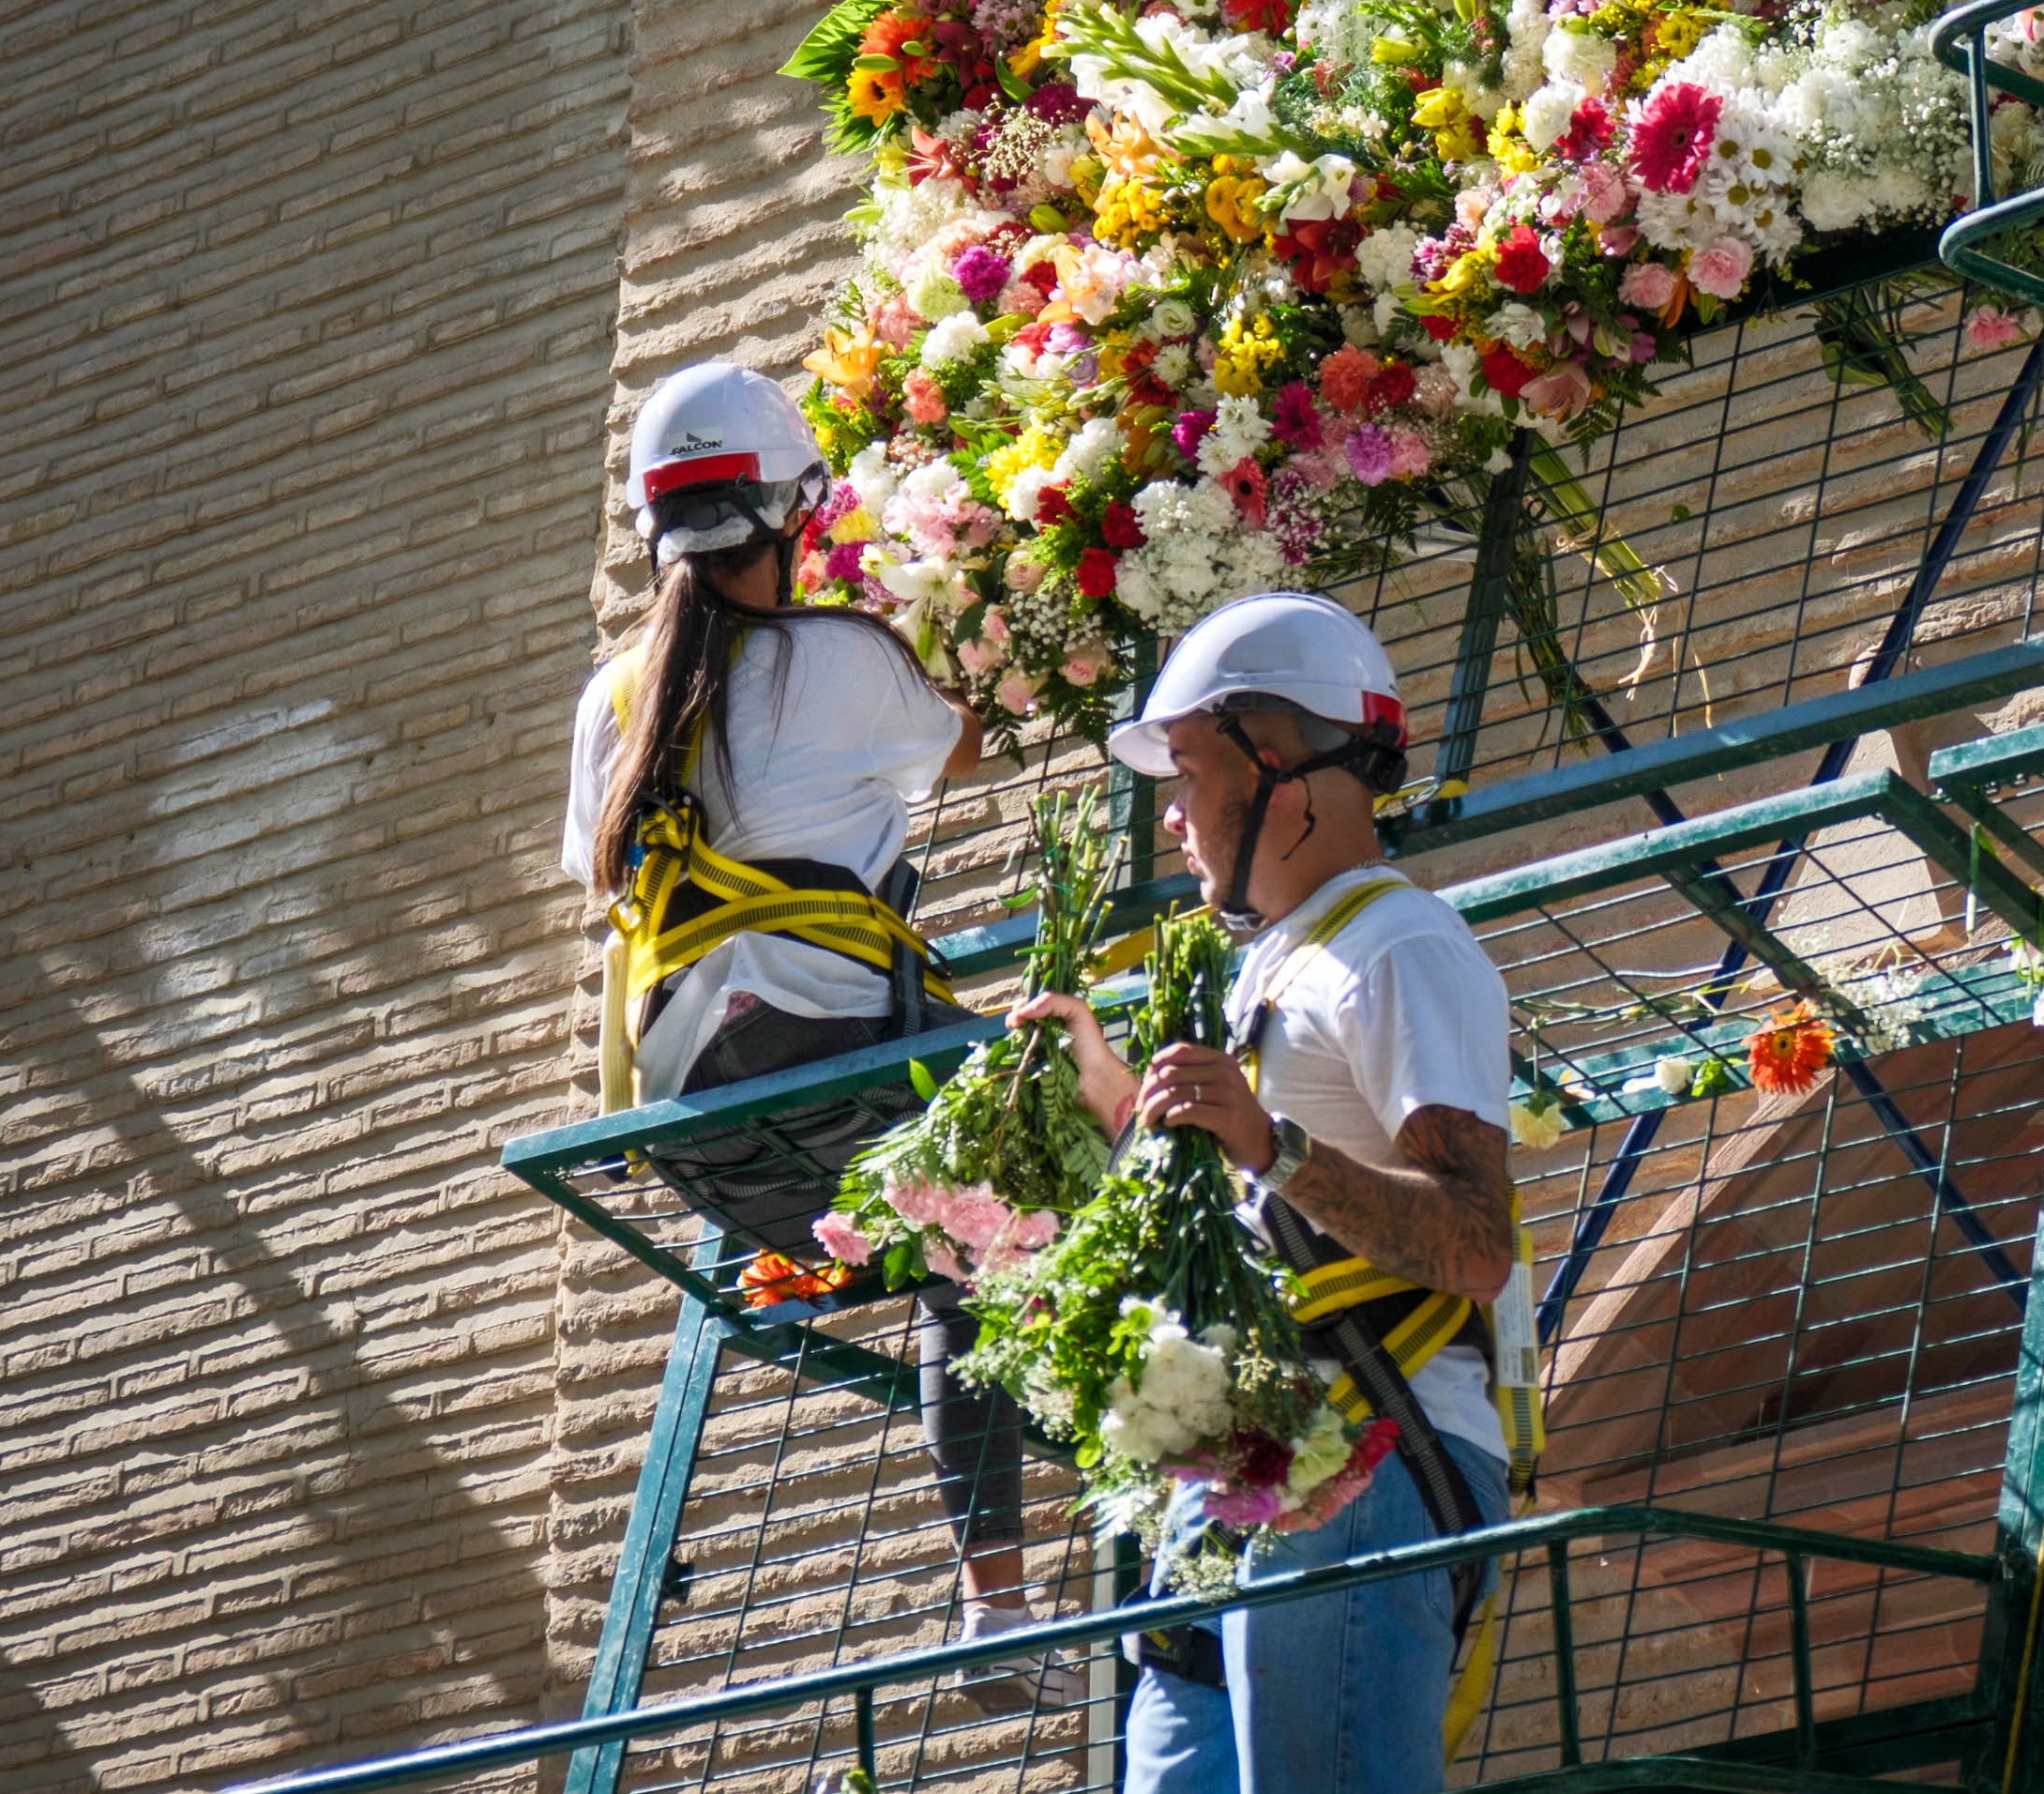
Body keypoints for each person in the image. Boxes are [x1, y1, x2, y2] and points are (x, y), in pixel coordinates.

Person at [557, 358, 1053, 1707]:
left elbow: (599, 877)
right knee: (1017, 1184)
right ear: (790, 511)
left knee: (963, 1227)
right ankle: (996, 1594)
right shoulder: (840, 654)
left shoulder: (609, 702)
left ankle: (1004, 1565)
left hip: (704, 1131)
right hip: (829, 1057)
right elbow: (958, 750)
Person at [1010, 591, 1534, 1794]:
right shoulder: (1281, 961)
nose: (1176, 818)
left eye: (1188, 774)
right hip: (1245, 1466)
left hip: (1363, 1458)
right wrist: (1106, 1095)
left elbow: (1473, 1240)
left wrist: (1271, 1143)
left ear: (1281, 765)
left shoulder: (1399, 947)